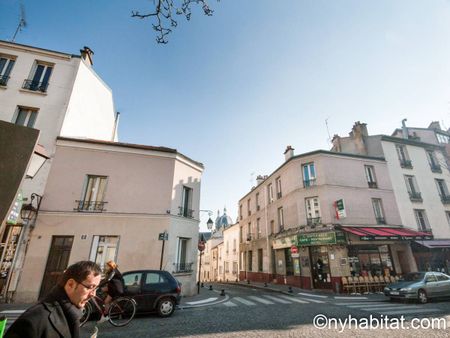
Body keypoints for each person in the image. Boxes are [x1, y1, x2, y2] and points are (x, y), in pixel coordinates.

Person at [5, 260, 102, 338]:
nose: (93, 294)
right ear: (71, 284)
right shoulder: (35, 320)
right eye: (90, 287)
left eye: (95, 288)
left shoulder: (71, 312)